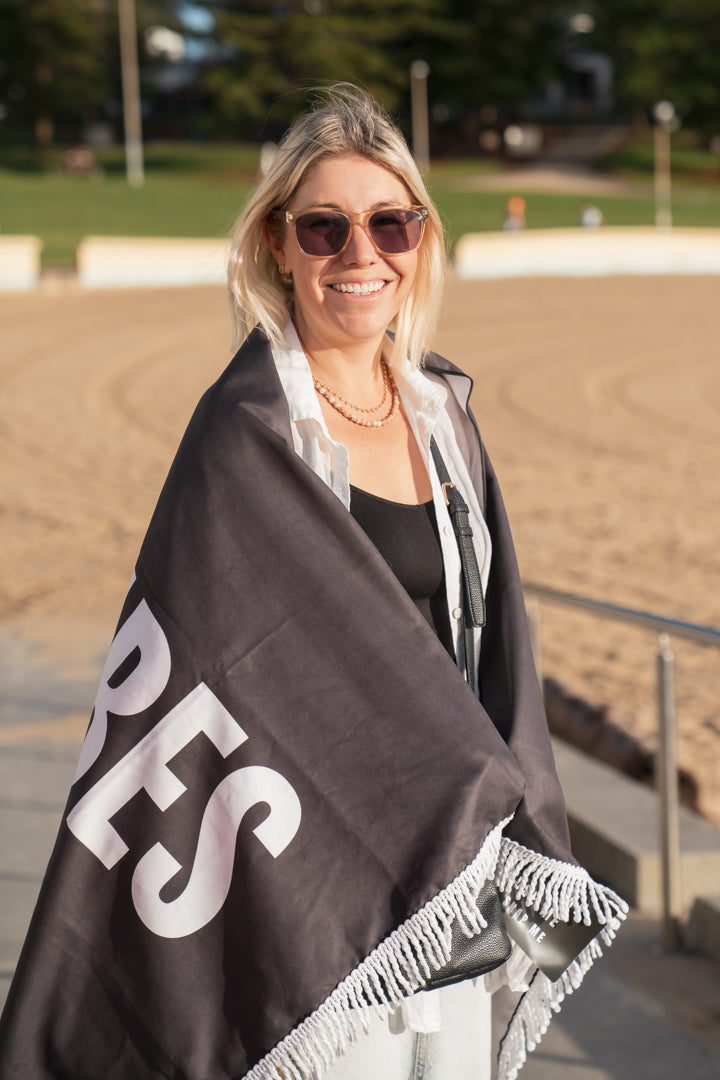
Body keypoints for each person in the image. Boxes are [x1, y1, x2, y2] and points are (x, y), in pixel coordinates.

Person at [0, 85, 626, 1080]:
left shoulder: (445, 420)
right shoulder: (245, 434)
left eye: (391, 223)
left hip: (450, 890)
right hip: (315, 905)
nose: (360, 255)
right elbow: (199, 675)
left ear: (422, 240)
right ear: (276, 246)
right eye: (325, 228)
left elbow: (489, 651)